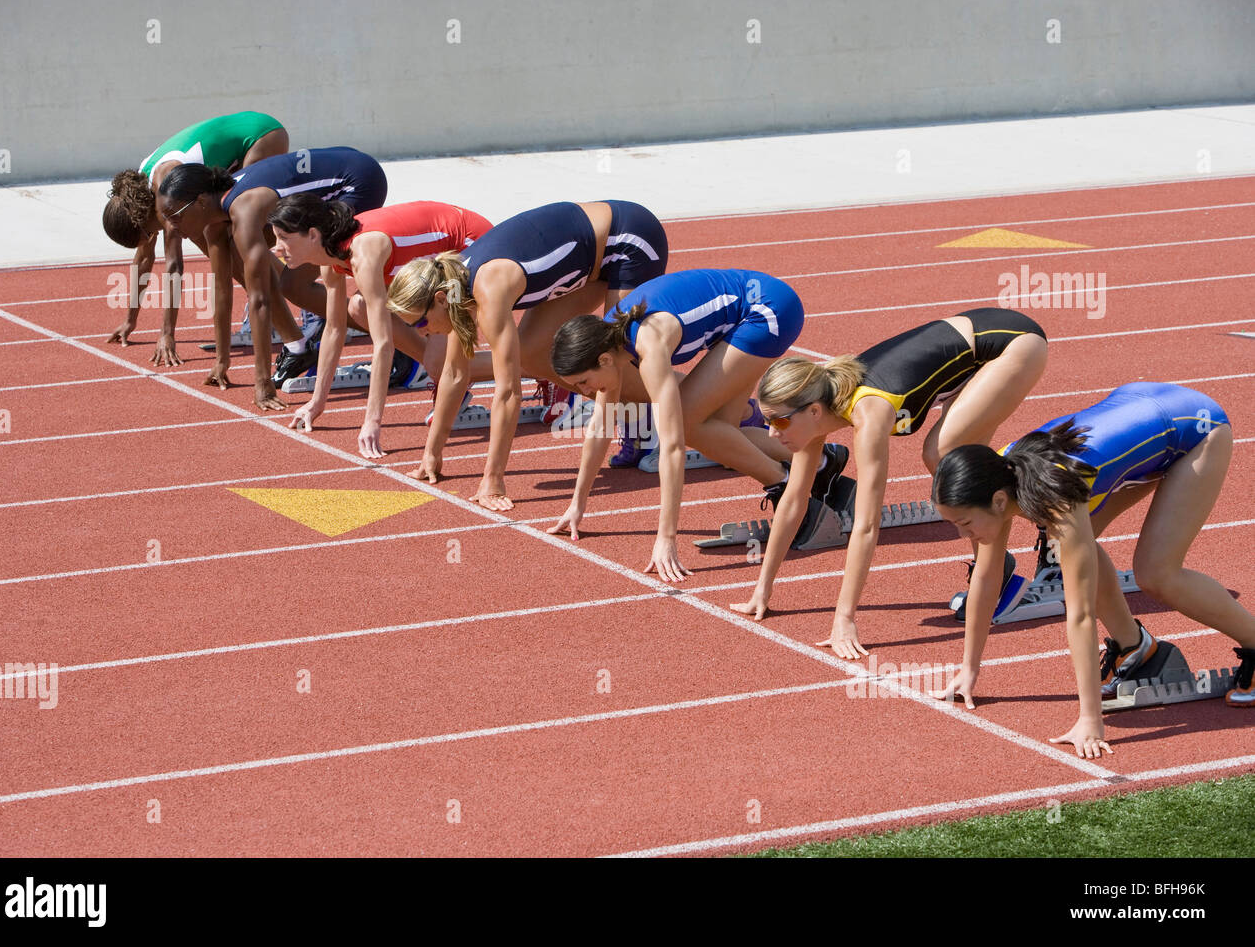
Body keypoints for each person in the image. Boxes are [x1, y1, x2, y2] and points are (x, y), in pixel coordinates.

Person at [930, 382, 1255, 757]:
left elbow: (1081, 615)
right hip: (1141, 410)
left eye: (964, 523)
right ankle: (1136, 649)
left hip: (1195, 427)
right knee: (1075, 548)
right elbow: (987, 580)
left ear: (1000, 501)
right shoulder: (997, 475)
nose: (960, 533)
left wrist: (1091, 718)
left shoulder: (1055, 499)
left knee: (1156, 572)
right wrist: (970, 669)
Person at [730, 307, 1048, 659]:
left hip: (1013, 344)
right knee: (953, 457)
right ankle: (997, 566)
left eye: (780, 422)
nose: (773, 433)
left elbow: (866, 524)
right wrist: (762, 589)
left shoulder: (870, 414)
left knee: (942, 454)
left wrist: (844, 618)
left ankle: (1041, 528)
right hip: (975, 352)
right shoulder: (814, 409)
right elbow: (794, 500)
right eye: (768, 421)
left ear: (814, 412)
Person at [546, 268, 845, 581]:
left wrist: (666, 538)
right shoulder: (607, 339)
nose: (585, 393)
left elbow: (673, 446)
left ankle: (786, 488)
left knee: (688, 424)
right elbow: (600, 428)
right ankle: (821, 462)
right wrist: (577, 505)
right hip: (745, 313)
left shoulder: (649, 347)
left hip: (767, 310)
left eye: (583, 382)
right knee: (722, 429)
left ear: (604, 360)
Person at [386, 200, 668, 508]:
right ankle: (639, 411)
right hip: (592, 260)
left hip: (628, 240)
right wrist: (432, 453)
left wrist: (493, 479)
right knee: (532, 355)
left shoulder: (487, 289)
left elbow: (508, 393)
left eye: (421, 323)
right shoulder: (455, 287)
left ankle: (701, 410)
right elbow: (455, 373)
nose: (422, 333)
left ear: (439, 299)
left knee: (613, 360)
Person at [157, 147, 387, 410]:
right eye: (166, 218)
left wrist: (262, 380)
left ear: (200, 202)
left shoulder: (244, 210)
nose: (171, 227)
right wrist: (222, 360)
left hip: (358, 182)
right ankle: (318, 344)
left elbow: (259, 300)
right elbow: (221, 287)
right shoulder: (215, 219)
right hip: (336, 178)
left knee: (294, 285)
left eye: (174, 216)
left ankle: (399, 340)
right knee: (287, 281)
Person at [267, 195, 495, 458]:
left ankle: (535, 367)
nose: (277, 248)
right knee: (358, 307)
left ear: (313, 235)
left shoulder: (363, 256)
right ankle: (451, 380)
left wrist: (372, 422)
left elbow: (383, 343)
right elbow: (334, 328)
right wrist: (316, 403)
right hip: (434, 261)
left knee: (439, 365)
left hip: (471, 245)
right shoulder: (330, 258)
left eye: (284, 237)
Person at [102, 111, 288, 363]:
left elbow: (174, 267)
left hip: (259, 137)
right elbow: (142, 261)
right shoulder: (138, 196)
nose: (149, 241)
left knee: (247, 237)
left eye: (147, 236)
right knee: (222, 245)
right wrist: (129, 320)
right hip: (237, 146)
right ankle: (274, 309)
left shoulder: (165, 196)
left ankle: (307, 308)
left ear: (142, 222)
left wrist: (167, 334)